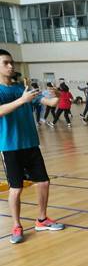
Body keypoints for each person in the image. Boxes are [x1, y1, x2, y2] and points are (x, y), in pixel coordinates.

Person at [0, 49, 66, 244]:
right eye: (5, 63)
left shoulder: (23, 88)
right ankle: (16, 225)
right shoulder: (8, 92)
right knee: (16, 188)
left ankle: (42, 219)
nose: (11, 66)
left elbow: (50, 101)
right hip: (10, 146)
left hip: (31, 144)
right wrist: (22, 100)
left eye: (11, 62)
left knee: (43, 182)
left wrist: (57, 95)